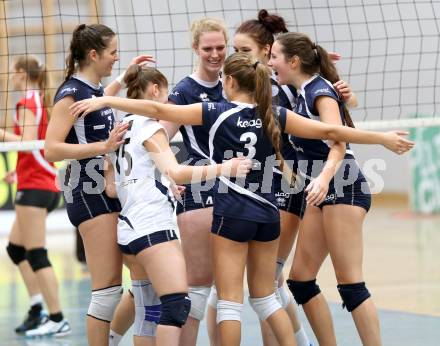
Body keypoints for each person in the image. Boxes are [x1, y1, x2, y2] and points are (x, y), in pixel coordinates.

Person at [69, 52, 413, 346]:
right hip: (268, 213)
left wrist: (108, 99)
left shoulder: (215, 111)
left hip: (231, 213)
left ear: (229, 82)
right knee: (266, 297)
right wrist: (379, 137)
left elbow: (157, 109)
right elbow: (331, 132)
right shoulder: (274, 114)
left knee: (231, 302)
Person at [103, 64, 252, 346]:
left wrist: (163, 185)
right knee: (176, 305)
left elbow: (112, 189)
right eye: (167, 94)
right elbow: (177, 171)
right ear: (156, 90)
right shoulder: (149, 126)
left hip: (128, 230)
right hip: (152, 228)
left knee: (148, 313)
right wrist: (226, 168)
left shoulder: (122, 129)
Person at [269, 32, 388, 346]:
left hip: (342, 184)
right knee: (301, 280)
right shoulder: (302, 91)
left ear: (293, 62)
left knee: (350, 283)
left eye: (274, 57)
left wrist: (322, 179)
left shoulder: (319, 91)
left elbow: (340, 141)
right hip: (320, 188)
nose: (270, 64)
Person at [44, 23, 152, 345]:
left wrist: (125, 76)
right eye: (113, 53)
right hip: (86, 192)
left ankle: (116, 337)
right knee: (106, 290)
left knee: (143, 278)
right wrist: (103, 148)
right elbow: (51, 149)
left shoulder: (93, 90)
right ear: (94, 54)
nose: (116, 58)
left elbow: (99, 101)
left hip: (110, 189)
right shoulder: (70, 93)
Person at [164, 17, 229, 346]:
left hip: (236, 190)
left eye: (220, 47)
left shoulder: (233, 83)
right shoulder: (185, 90)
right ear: (195, 49)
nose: (215, 54)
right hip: (201, 190)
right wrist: (167, 175)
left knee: (226, 288)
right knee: (199, 287)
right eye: (208, 48)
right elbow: (159, 136)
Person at [1, 55, 71, 337]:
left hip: (36, 188)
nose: (10, 76)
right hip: (38, 182)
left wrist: (1, 135)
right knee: (16, 250)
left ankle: (57, 318)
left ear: (21, 73)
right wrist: (17, 172)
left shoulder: (27, 102)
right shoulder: (38, 99)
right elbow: (36, 147)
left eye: (13, 71)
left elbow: (27, 142)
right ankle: (37, 309)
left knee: (36, 253)